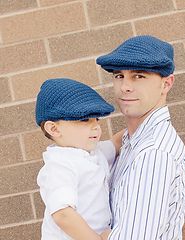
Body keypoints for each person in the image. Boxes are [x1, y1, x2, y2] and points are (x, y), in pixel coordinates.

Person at [96, 35, 185, 239]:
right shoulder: (131, 142)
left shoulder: (154, 152)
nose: (125, 86)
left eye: (138, 76)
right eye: (119, 76)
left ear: (166, 84)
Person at [35, 78, 123, 240]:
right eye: (84, 120)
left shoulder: (94, 152)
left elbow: (117, 142)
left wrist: (143, 122)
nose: (96, 126)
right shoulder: (60, 165)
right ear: (54, 129)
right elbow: (63, 215)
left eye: (96, 119)